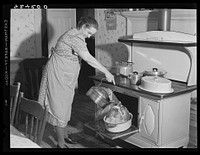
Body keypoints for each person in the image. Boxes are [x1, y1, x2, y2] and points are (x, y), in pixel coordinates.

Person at [38, 16, 115, 148]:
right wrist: (106, 72)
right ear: (83, 26)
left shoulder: (74, 34)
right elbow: (88, 58)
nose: (90, 36)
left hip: (64, 74)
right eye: (89, 32)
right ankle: (61, 143)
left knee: (65, 106)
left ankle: (65, 136)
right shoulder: (75, 38)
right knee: (60, 107)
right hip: (58, 73)